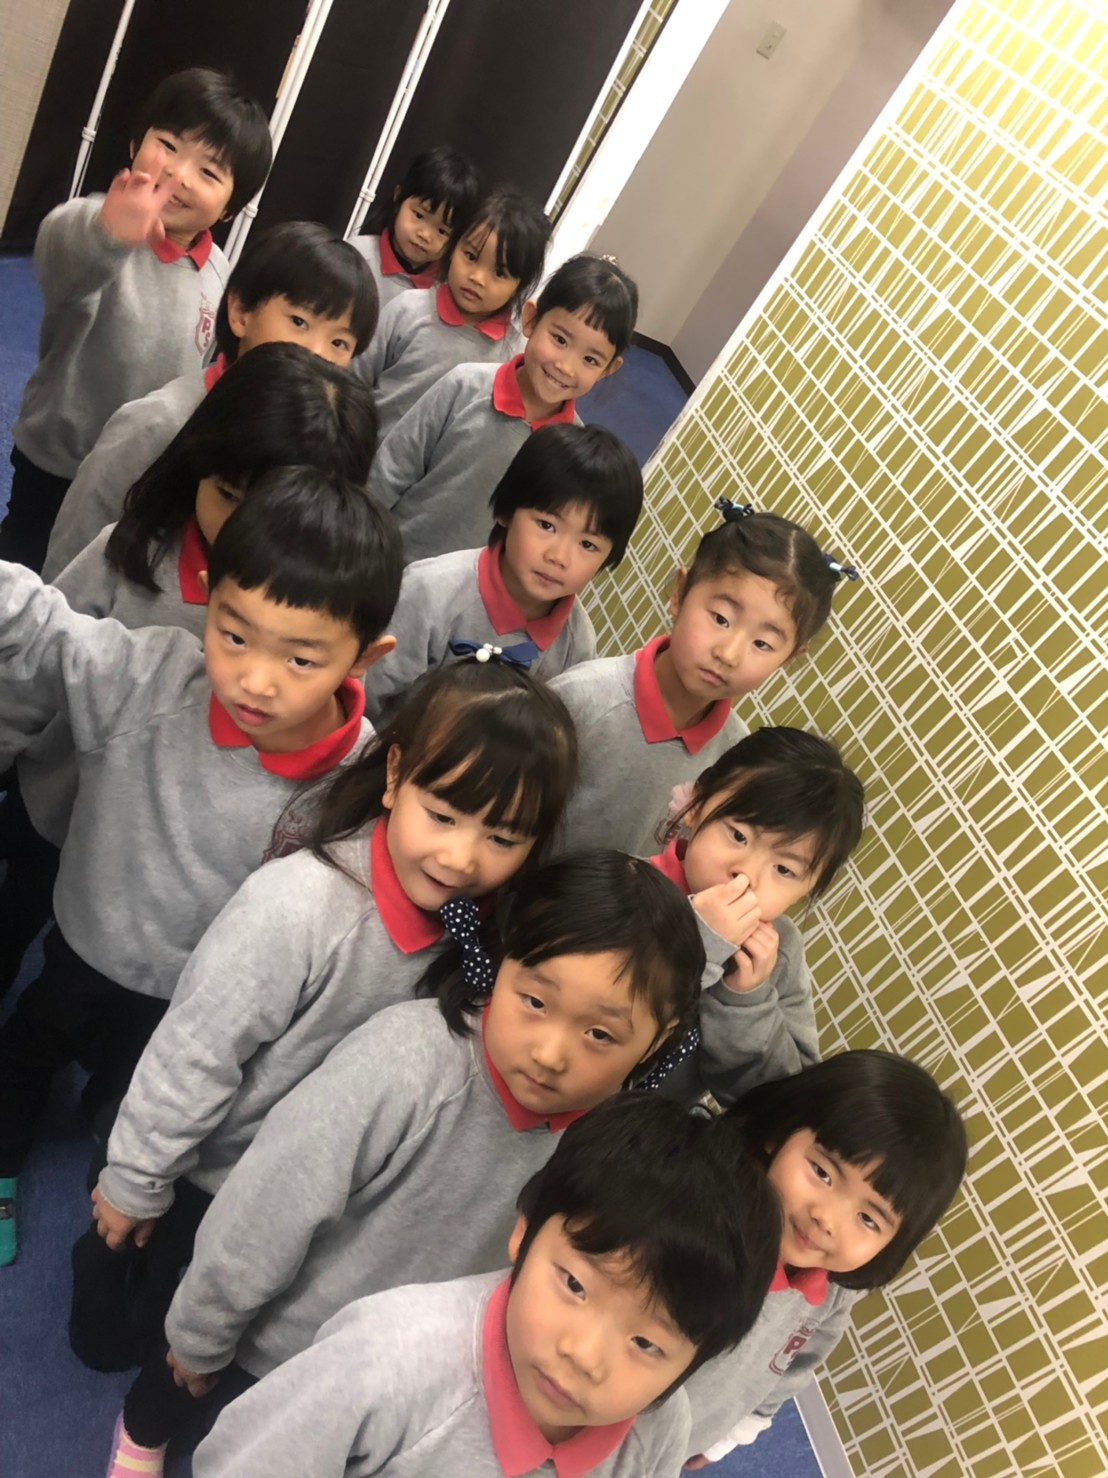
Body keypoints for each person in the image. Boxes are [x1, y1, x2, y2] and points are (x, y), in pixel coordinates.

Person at [118, 853, 704, 1475]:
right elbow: (268, 1204)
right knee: (188, 1406)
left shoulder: (617, 1150)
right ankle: (140, 1432)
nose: (551, 1053)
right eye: (535, 1000)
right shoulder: (406, 1062)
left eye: (600, 1035)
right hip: (280, 1343)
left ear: (659, 1039)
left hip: (423, 1381)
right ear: (502, 958)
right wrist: (201, 1332)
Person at [77, 660, 576, 1390]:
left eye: (502, 838)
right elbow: (195, 1049)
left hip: (310, 1187)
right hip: (210, 1170)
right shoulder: (300, 906)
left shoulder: (486, 935)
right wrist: (135, 1178)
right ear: (395, 775)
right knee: (146, 1304)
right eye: (442, 815)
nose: (461, 857)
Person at [0, 473, 402, 1265]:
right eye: (234, 635)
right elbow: (45, 628)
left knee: (134, 1103)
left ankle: (112, 1159)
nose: (255, 679)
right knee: (26, 1054)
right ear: (210, 597)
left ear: (366, 656)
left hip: (193, 1002)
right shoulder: (149, 677)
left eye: (301, 658)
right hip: (87, 944)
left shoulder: (362, 784)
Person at [0, 344, 378, 997]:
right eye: (227, 495)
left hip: (165, 882)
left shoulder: (331, 622)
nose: (239, 532)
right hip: (57, 801)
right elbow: (43, 653)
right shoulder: (130, 552)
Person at [188, 1094, 783, 1477]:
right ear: (524, 1231)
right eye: (575, 1286)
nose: (584, 1355)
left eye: (646, 1344)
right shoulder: (388, 1358)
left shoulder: (658, 1431)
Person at [3, 67, 272, 571]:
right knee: (23, 562)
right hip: (61, 456)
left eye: (209, 172)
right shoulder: (99, 224)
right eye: (168, 145)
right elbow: (61, 257)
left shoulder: (219, 274)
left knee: (93, 571)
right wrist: (109, 233)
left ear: (230, 209)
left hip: (138, 468)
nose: (180, 174)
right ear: (134, 144)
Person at [43, 218, 378, 579]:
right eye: (299, 322)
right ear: (240, 312)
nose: (316, 352)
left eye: (339, 342)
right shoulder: (159, 422)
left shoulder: (318, 441)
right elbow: (73, 553)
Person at [681, 1052, 968, 1467]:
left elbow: (791, 1367)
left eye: (868, 1219)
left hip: (679, 1441)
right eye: (823, 1173)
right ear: (780, 1133)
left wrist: (728, 1437)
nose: (826, 1219)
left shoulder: (829, 1299)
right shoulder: (693, 1200)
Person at [550, 498, 860, 857]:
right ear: (680, 593)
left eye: (762, 643)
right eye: (721, 619)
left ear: (790, 657)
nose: (729, 654)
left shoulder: (738, 758)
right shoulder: (583, 698)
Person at [363, 423, 643, 721]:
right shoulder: (431, 591)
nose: (559, 557)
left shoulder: (577, 643)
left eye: (587, 544)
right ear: (506, 511)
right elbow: (364, 695)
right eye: (546, 525)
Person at [370, 252, 637, 565]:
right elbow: (394, 466)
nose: (566, 366)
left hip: (467, 588)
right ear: (531, 319)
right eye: (560, 339)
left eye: (590, 359)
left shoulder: (572, 453)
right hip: (385, 557)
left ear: (608, 369)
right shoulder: (465, 385)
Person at [646, 727, 866, 1104]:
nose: (746, 875)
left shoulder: (778, 954)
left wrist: (746, 1003)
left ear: (809, 888)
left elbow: (779, 1106)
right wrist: (702, 941)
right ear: (697, 805)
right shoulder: (625, 882)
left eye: (784, 870)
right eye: (739, 836)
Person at [359, 187, 551, 436]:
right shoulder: (408, 308)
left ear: (520, 285)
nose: (477, 277)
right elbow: (356, 378)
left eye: (499, 272)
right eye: (470, 256)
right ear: (454, 246)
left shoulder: (512, 356)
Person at [351, 144, 482, 309]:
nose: (425, 235)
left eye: (442, 231)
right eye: (419, 215)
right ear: (399, 196)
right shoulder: (356, 257)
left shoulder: (448, 289)